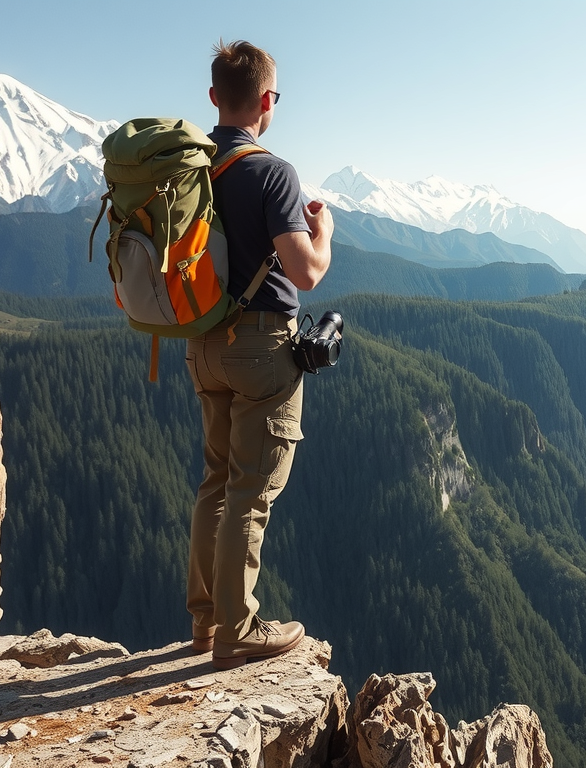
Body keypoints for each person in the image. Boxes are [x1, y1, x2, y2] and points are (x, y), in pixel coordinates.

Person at [185, 39, 333, 671]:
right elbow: (305, 273)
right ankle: (238, 629)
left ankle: (204, 619)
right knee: (253, 488)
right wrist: (323, 234)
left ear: (215, 96)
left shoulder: (187, 170)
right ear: (268, 101)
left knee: (216, 480)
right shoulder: (272, 172)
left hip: (201, 343)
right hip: (262, 348)